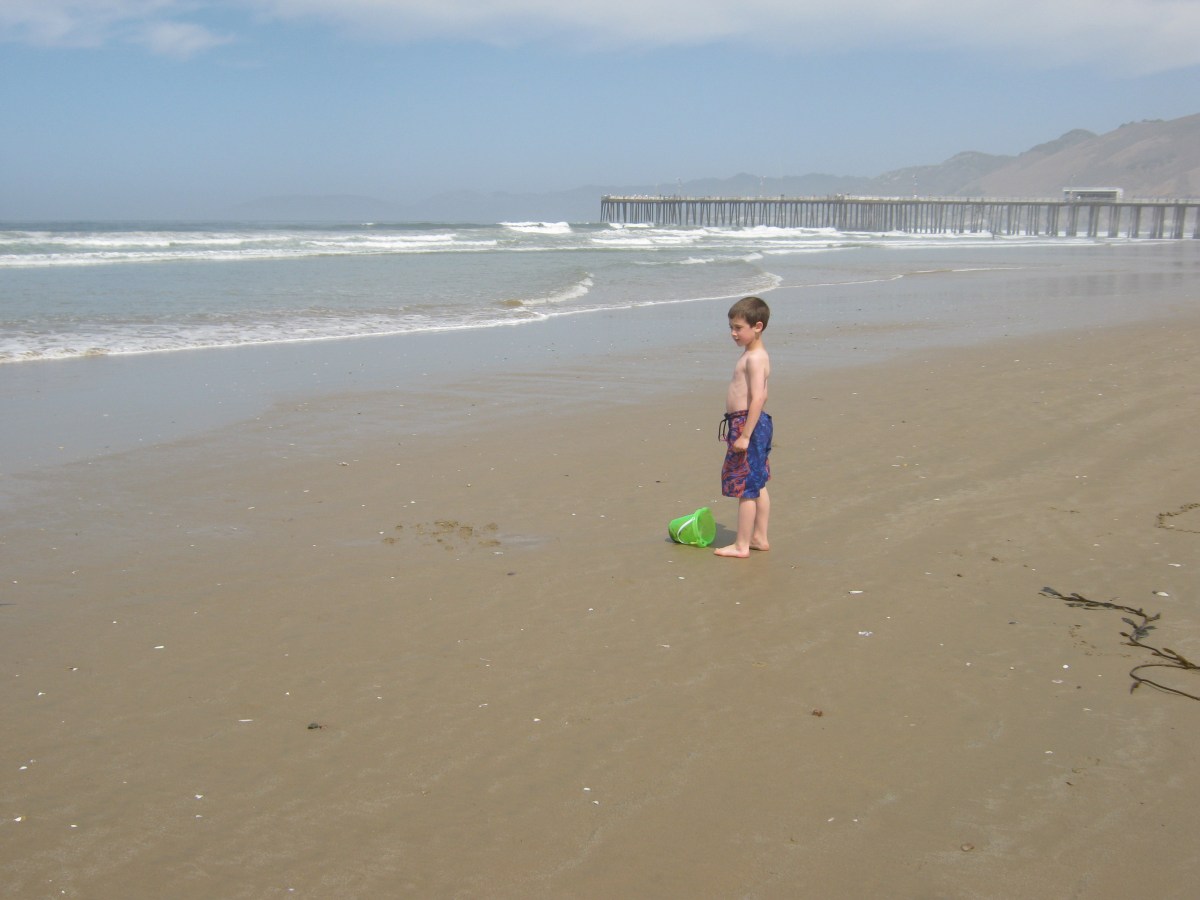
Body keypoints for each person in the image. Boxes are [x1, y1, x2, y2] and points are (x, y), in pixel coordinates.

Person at [714, 296, 772, 558]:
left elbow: (758, 397)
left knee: (746, 487)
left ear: (757, 326)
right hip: (751, 422)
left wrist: (745, 434)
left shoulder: (755, 358)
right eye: (731, 327)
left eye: (738, 328)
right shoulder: (754, 355)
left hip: (746, 424)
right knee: (758, 482)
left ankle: (742, 545)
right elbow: (762, 395)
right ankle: (759, 537)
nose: (733, 333)